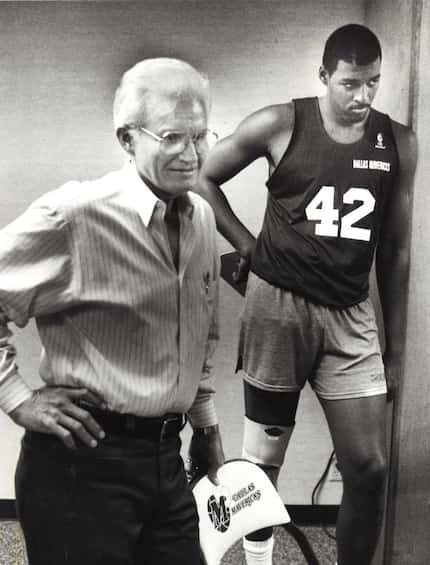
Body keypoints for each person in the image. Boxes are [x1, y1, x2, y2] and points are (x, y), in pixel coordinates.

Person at [198, 24, 417, 565]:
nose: (363, 96)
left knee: (369, 466)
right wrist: (250, 246)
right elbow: (203, 177)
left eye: (373, 83)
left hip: (350, 316)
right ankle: (258, 560)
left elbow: (395, 252)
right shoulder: (281, 122)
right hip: (278, 308)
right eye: (350, 83)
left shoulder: (399, 142)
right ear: (324, 76)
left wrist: (395, 351)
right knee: (262, 465)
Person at [0, 57, 224, 565]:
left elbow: (199, 333)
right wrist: (17, 398)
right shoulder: (75, 215)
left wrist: (206, 425)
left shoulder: (202, 218)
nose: (193, 154)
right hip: (83, 465)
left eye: (201, 135)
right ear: (127, 139)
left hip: (168, 459)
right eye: (172, 137)